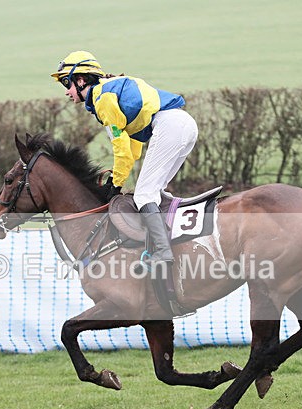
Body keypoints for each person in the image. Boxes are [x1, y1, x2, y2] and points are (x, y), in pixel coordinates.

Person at [51, 50, 198, 273]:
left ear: (80, 80)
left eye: (66, 84)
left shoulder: (102, 99)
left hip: (170, 126)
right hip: (183, 124)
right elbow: (132, 148)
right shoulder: (110, 89)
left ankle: (163, 251)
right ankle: (171, 239)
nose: (66, 92)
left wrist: (116, 183)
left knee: (143, 195)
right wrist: (118, 178)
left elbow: (121, 147)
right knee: (154, 192)